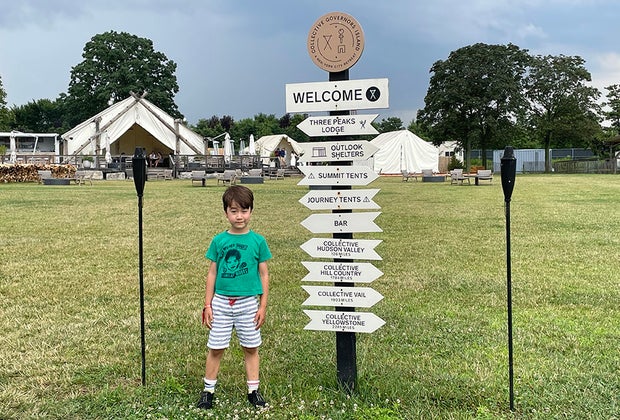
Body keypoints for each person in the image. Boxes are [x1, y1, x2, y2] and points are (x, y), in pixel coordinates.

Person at [197, 185, 272, 410]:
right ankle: (208, 391)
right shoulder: (219, 241)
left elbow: (264, 274)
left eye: (244, 210)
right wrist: (207, 304)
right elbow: (212, 273)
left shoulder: (258, 241)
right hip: (221, 302)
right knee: (216, 347)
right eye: (234, 211)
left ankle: (253, 390)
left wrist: (263, 306)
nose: (240, 216)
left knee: (251, 347)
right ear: (226, 213)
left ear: (251, 211)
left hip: (248, 303)